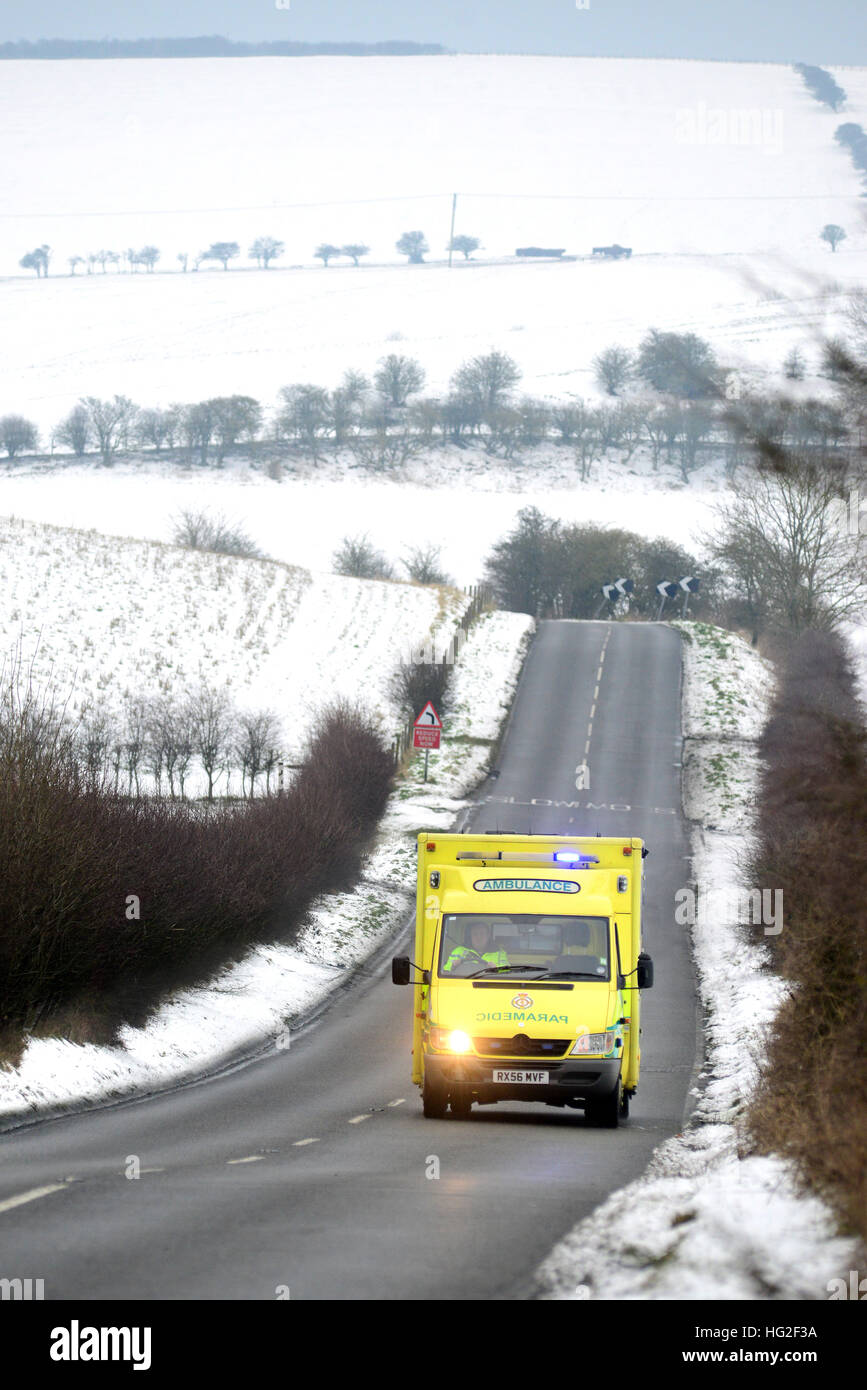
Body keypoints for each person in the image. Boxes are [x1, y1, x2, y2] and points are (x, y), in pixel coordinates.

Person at [444, 920, 510, 974]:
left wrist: (495, 970)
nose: (479, 937)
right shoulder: (458, 951)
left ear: (488, 936)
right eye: (475, 934)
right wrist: (453, 966)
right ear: (470, 936)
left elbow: (507, 972)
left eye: (482, 933)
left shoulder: (499, 953)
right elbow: (446, 972)